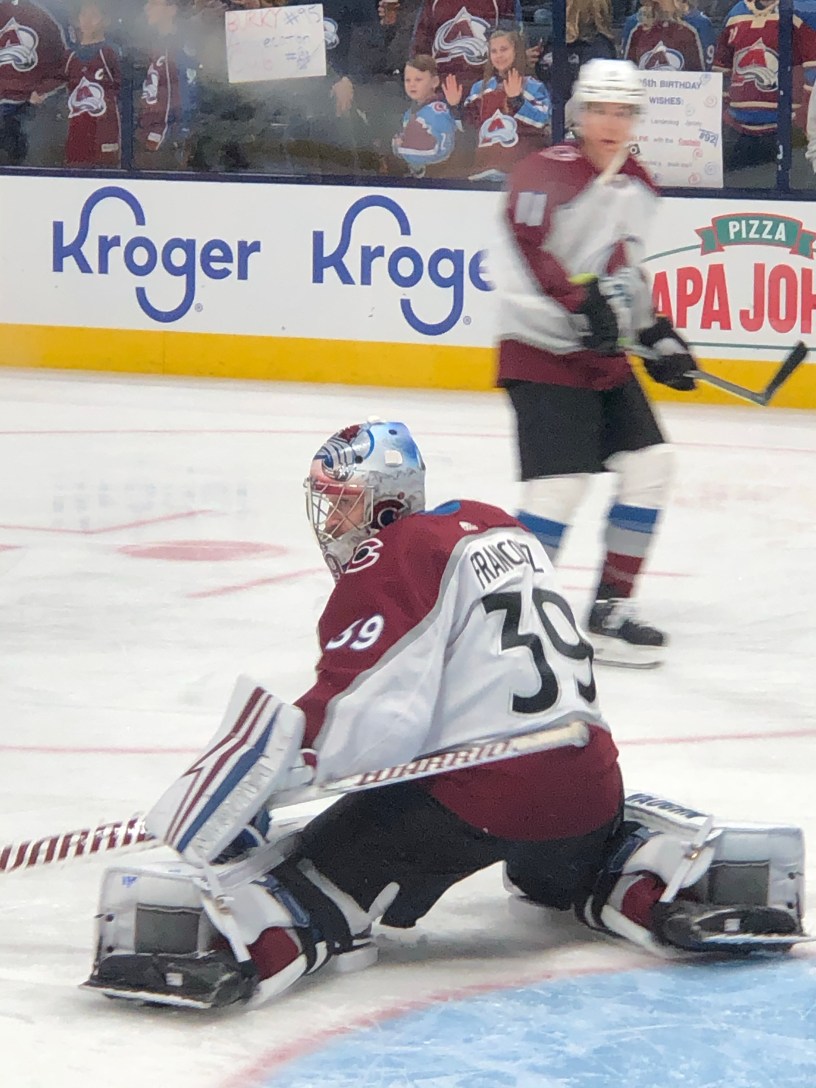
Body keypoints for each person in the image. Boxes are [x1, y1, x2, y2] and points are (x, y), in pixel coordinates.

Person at [83, 418, 806, 1010]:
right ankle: (639, 885)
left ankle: (255, 943)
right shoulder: (500, 528)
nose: (332, 521)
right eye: (326, 502)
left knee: (316, 878)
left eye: (345, 502)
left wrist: (251, 786)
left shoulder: (391, 556)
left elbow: (365, 717)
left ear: (387, 503)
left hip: (478, 797)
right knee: (566, 865)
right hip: (588, 786)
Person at [494, 58, 700, 668]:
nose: (611, 123)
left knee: (651, 464)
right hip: (541, 351)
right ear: (579, 114)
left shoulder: (637, 184)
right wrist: (577, 300)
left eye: (623, 111)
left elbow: (622, 270)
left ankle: (610, 609)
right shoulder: (544, 171)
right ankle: (509, 622)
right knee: (559, 488)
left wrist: (656, 333)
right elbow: (525, 251)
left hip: (600, 356)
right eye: (600, 110)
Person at [714, 0, 816, 183]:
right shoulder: (736, 13)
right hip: (736, 131)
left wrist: (802, 118)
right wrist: (721, 114)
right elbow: (721, 67)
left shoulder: (798, 12)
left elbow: (812, 69)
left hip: (784, 132)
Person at [443, 28, 551, 181]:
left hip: (520, 175)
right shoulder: (479, 89)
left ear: (516, 51)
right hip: (483, 172)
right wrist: (455, 108)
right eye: (494, 51)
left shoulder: (533, 86)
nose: (499, 55)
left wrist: (517, 101)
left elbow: (542, 122)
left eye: (504, 49)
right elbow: (467, 129)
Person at [0, 0, 68, 166]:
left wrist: (43, 90)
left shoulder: (43, 16)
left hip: (27, 110)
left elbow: (63, 65)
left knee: (26, 163)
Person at [134, 0, 198, 170]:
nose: (147, 8)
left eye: (154, 3)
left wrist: (180, 134)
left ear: (172, 9)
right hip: (149, 135)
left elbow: (185, 92)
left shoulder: (181, 46)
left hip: (168, 140)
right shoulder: (152, 44)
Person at [64, 0, 122, 168]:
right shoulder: (70, 56)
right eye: (84, 14)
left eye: (94, 15)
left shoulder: (111, 53)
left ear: (106, 20)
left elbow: (122, 91)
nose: (87, 20)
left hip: (105, 131)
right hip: (76, 133)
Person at [392, 55, 458, 177]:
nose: (412, 85)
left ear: (434, 82)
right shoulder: (409, 113)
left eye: (418, 80)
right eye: (407, 80)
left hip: (438, 176)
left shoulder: (439, 111)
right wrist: (398, 144)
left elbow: (444, 149)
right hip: (417, 175)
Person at [622, 0, 715, 73]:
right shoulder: (634, 24)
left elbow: (706, 78)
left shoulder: (699, 24)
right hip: (645, 91)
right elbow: (627, 75)